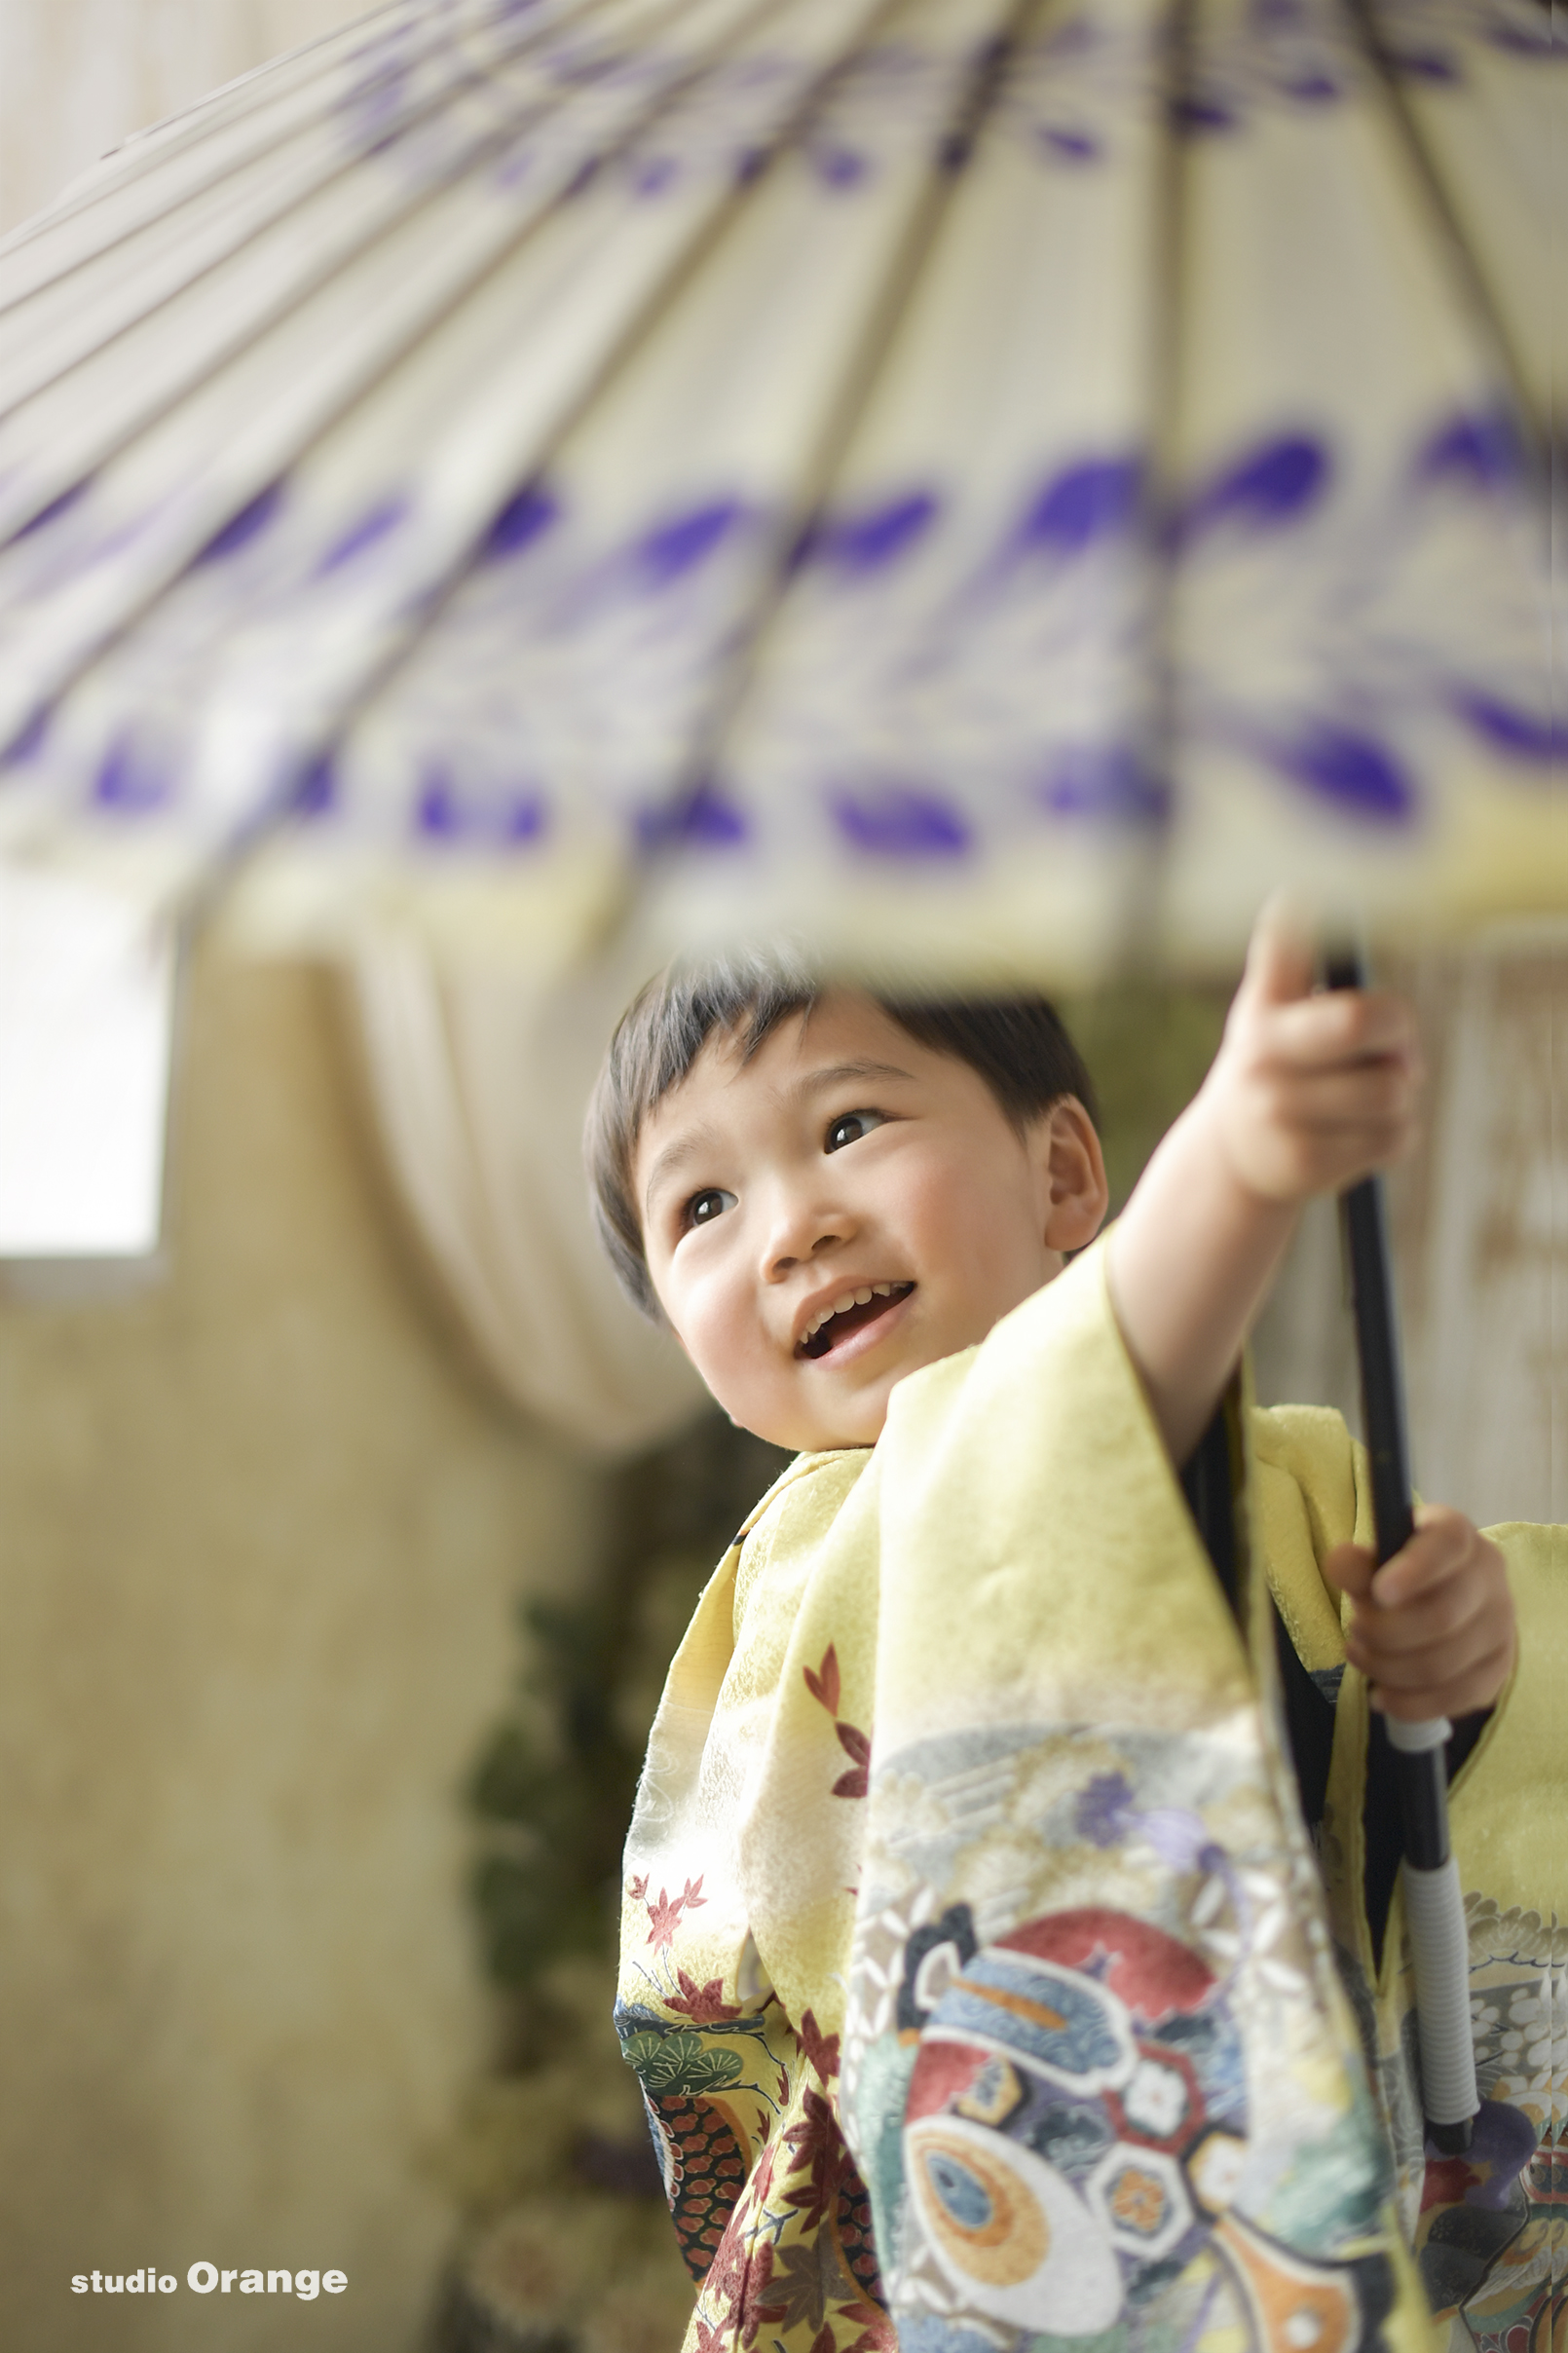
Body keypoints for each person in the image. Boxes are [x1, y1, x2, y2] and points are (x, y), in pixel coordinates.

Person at [588, 909, 1554, 2353]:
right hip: (1009, 2202)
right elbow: (1034, 1458)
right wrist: (1231, 1164)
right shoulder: (814, 1553)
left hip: (1356, 2137)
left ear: (1058, 1172)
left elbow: (1426, 1767)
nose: (794, 1225)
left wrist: (1457, 1658)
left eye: (848, 1123)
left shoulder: (1292, 1471)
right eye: (701, 1209)